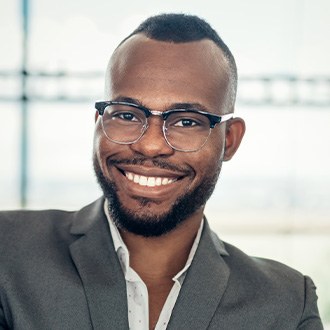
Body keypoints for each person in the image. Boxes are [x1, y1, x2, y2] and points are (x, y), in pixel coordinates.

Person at [0, 13, 323, 330]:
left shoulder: (286, 304)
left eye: (186, 121)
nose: (151, 145)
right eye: (127, 115)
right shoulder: (8, 251)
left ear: (230, 140)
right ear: (99, 123)